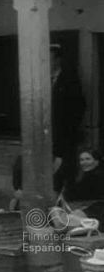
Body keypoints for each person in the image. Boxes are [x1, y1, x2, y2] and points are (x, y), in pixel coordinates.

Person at [51, 44, 86, 193]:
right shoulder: (42, 79)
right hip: (48, 136)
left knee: (65, 169)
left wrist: (68, 130)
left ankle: (66, 199)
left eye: (49, 59)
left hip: (65, 135)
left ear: (57, 60)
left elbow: (79, 106)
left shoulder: (69, 79)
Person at [62, 149, 104, 231]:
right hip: (89, 208)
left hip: (98, 209)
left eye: (88, 159)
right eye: (82, 160)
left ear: (96, 161)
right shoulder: (84, 176)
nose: (84, 162)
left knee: (67, 221)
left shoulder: (98, 176)